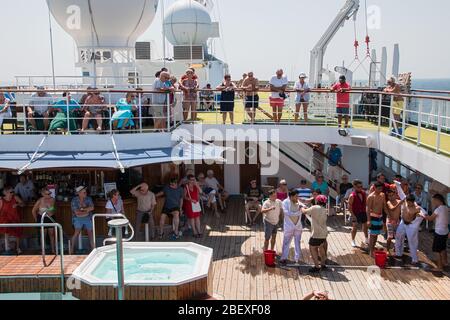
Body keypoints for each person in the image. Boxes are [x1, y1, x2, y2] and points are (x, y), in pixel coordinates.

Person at [420, 194, 448, 271]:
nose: (433, 202)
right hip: (445, 231)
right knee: (443, 248)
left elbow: (430, 219)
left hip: (439, 232)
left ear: (438, 200)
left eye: (434, 201)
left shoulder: (438, 209)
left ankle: (440, 267)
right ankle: (445, 262)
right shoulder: (446, 208)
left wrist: (422, 215)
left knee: (437, 250)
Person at [395, 194, 425, 265]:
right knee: (398, 237)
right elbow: (401, 193)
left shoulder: (417, 208)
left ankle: (414, 259)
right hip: (402, 223)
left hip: (411, 225)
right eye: (407, 201)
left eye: (410, 202)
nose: (408, 203)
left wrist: (420, 215)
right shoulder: (405, 202)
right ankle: (398, 253)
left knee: (412, 241)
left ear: (413, 202)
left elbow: (424, 214)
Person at [302, 195, 329, 273]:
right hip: (324, 233)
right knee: (321, 248)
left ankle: (317, 267)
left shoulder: (315, 207)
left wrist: (301, 207)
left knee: (312, 248)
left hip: (316, 233)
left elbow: (304, 212)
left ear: (317, 201)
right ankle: (323, 264)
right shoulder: (324, 209)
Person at [280, 191, 305, 265]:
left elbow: (304, 207)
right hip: (288, 226)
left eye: (298, 196)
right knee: (286, 243)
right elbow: (286, 212)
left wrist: (302, 207)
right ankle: (283, 258)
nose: (297, 198)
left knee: (297, 242)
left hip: (298, 226)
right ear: (291, 196)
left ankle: (297, 259)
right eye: (296, 196)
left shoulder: (298, 201)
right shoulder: (285, 202)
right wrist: (298, 212)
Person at [32, 187, 57, 254]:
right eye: (47, 194)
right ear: (43, 194)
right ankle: (43, 250)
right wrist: (36, 220)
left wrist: (49, 208)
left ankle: (53, 250)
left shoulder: (52, 199)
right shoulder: (40, 201)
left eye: (50, 193)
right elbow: (33, 211)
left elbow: (53, 210)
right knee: (43, 235)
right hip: (42, 218)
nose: (49, 195)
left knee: (51, 234)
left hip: (50, 217)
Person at [70, 186, 95, 253]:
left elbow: (92, 208)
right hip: (77, 218)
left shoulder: (88, 198)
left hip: (87, 217)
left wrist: (82, 209)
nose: (85, 193)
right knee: (77, 232)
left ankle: (93, 248)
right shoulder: (74, 200)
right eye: (84, 192)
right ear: (79, 193)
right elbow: (76, 212)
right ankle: (71, 249)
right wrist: (87, 210)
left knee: (90, 232)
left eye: (85, 192)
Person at [0, 186, 24, 254]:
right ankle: (7, 248)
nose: (12, 193)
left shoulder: (15, 198)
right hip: (5, 219)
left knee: (17, 233)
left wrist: (18, 204)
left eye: (13, 192)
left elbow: (23, 204)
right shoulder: (1, 200)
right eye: (11, 192)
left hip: (15, 218)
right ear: (5, 193)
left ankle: (17, 248)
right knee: (6, 231)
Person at [366, 182, 386, 257]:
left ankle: (373, 248)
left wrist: (388, 215)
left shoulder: (382, 195)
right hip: (373, 216)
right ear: (374, 188)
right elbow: (367, 209)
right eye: (378, 188)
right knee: (372, 235)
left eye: (381, 189)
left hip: (380, 217)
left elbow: (384, 206)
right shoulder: (371, 196)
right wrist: (368, 220)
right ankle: (371, 251)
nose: (380, 190)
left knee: (376, 234)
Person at [348, 180, 369, 248]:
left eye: (361, 186)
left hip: (363, 212)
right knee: (355, 228)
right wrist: (353, 215)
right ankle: (353, 240)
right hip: (355, 213)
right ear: (354, 186)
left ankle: (366, 239)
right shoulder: (352, 195)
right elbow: (349, 207)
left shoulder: (364, 193)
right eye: (358, 187)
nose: (360, 188)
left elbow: (366, 203)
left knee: (365, 227)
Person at [385, 187, 405, 256]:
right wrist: (400, 203)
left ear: (395, 195)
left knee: (398, 236)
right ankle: (387, 250)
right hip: (390, 221)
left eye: (392, 195)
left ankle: (395, 248)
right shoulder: (388, 202)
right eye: (389, 196)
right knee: (390, 236)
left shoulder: (400, 201)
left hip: (397, 221)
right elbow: (392, 208)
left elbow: (406, 202)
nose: (391, 197)